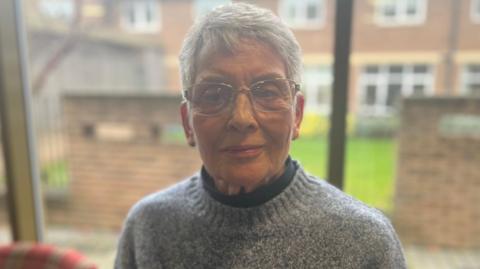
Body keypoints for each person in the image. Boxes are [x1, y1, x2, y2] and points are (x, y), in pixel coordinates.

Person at [115, 3, 406, 268]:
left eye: (267, 91)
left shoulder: (364, 241)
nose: (242, 118)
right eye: (214, 94)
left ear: (297, 115)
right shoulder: (148, 228)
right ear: (187, 122)